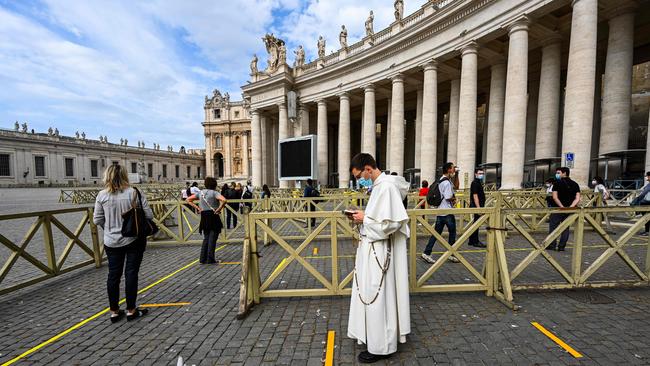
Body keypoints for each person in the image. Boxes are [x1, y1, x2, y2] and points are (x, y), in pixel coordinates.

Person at [347, 153, 410, 363]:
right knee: (372, 294)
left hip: (380, 251)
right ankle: (374, 338)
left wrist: (365, 218)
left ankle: (382, 346)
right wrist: (363, 216)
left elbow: (391, 224)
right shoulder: (379, 186)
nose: (359, 180)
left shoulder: (386, 187)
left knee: (379, 297)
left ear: (368, 168)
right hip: (371, 249)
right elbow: (380, 216)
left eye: (359, 176)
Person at [93, 164, 152, 323]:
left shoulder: (101, 195)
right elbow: (149, 214)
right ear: (125, 175)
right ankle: (131, 310)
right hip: (133, 239)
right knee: (131, 273)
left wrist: (109, 229)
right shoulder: (133, 192)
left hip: (111, 241)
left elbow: (97, 219)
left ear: (107, 176)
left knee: (113, 275)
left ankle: (114, 312)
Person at [421, 162, 460, 264]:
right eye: (452, 168)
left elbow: (456, 186)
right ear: (448, 170)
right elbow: (448, 196)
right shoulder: (446, 183)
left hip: (440, 211)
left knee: (436, 234)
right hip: (447, 211)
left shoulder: (442, 180)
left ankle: (426, 252)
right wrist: (454, 198)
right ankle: (451, 254)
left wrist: (457, 175)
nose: (454, 170)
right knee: (452, 233)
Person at [187, 177, 226, 264]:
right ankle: (210, 259)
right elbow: (224, 200)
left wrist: (197, 207)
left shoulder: (200, 193)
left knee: (206, 238)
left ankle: (202, 259)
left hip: (204, 216)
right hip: (213, 216)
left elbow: (188, 199)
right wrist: (219, 208)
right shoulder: (214, 192)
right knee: (212, 238)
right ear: (214, 184)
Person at [547, 167, 581, 251]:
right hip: (570, 209)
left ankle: (552, 245)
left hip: (558, 209)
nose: (557, 174)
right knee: (565, 227)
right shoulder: (575, 184)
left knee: (553, 226)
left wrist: (561, 207)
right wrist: (571, 207)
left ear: (564, 173)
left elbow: (555, 197)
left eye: (558, 173)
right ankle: (561, 246)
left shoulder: (557, 183)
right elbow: (577, 198)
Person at [468, 168, 486, 248]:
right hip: (477, 206)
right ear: (475, 174)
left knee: (475, 223)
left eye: (482, 173)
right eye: (479, 173)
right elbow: (475, 195)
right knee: (476, 224)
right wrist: (478, 207)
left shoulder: (478, 182)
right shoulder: (475, 183)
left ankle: (472, 240)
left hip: (479, 205)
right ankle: (475, 241)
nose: (481, 175)